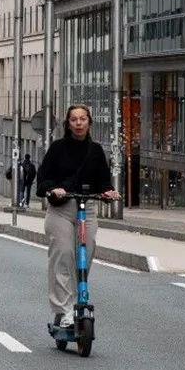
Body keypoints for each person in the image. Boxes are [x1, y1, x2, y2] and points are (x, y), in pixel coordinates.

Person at [35, 104, 120, 329]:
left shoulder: (96, 151)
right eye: (74, 119)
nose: (79, 123)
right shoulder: (57, 148)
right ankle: (64, 310)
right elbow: (42, 180)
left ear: (89, 122)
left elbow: (103, 181)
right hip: (62, 209)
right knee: (63, 255)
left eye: (83, 119)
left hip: (87, 208)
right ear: (68, 124)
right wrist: (54, 189)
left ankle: (76, 301)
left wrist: (109, 192)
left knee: (86, 253)